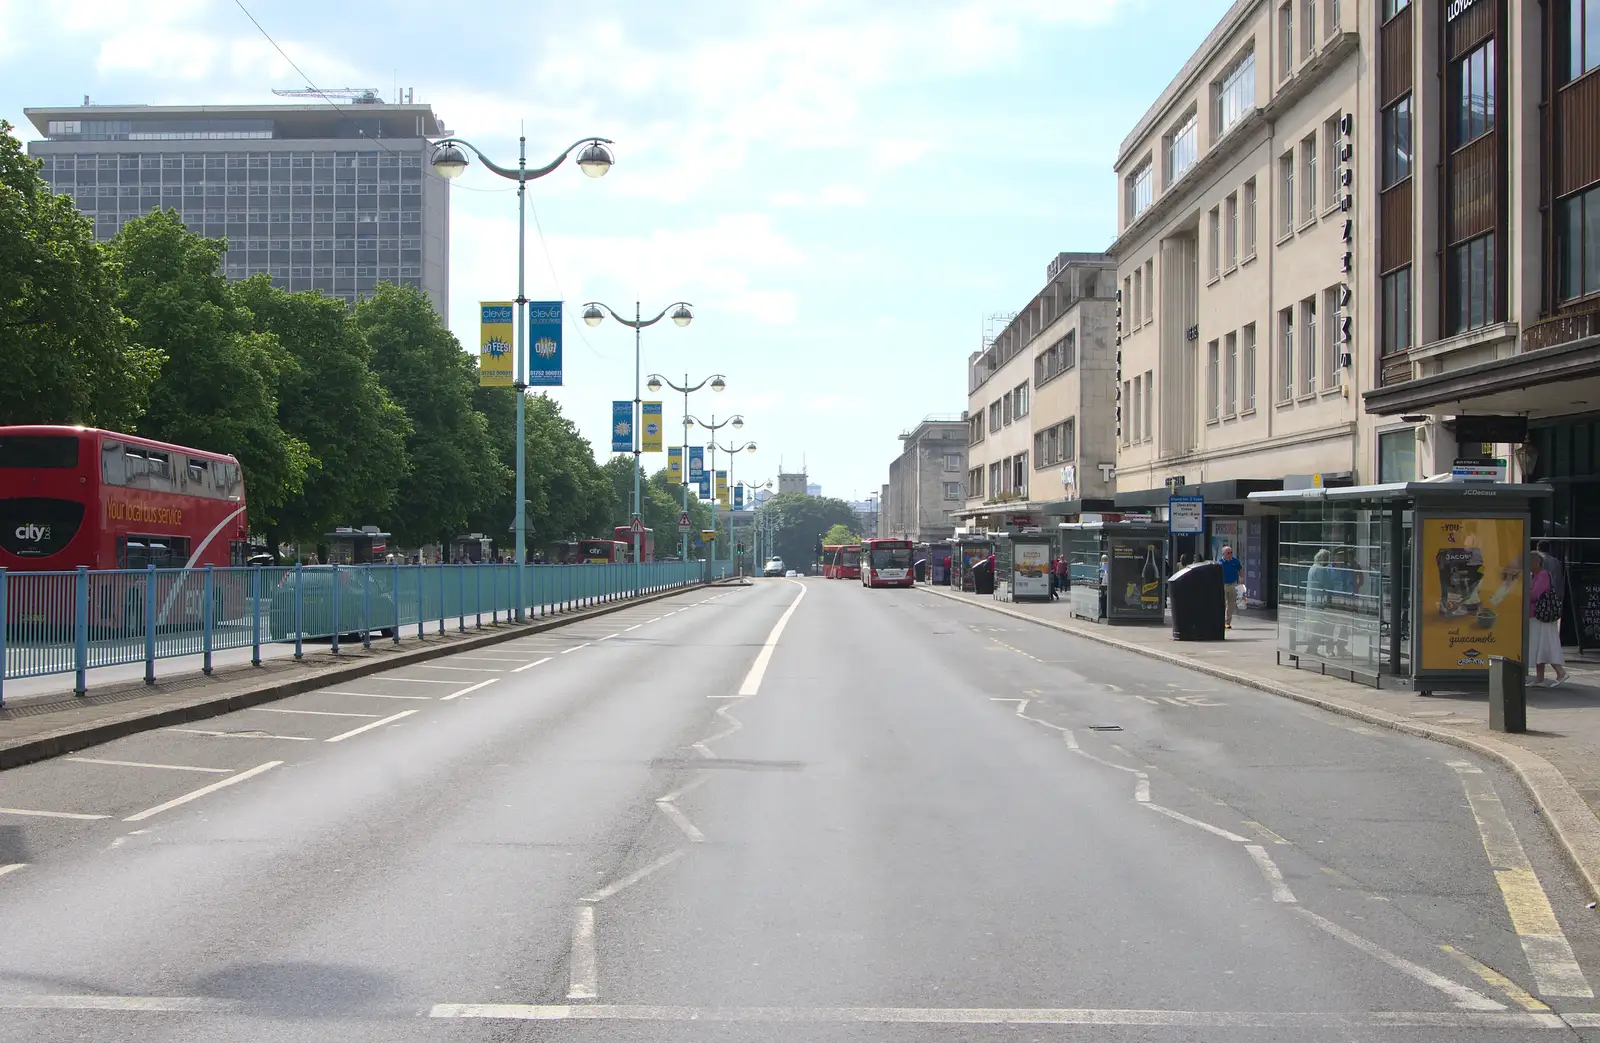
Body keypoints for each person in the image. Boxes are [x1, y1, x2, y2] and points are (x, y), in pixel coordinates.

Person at [1528, 551, 1568, 687]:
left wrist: (1525, 590)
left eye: (1529, 562)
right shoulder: (1534, 576)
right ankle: (1540, 678)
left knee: (1546, 645)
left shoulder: (1543, 575)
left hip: (1541, 616)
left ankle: (1560, 672)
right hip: (1535, 616)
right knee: (1538, 646)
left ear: (1536, 562)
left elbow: (1535, 595)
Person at [1219, 545, 1243, 629]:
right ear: (1223, 554)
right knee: (1222, 604)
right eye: (1228, 553)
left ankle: (1227, 622)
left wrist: (1241, 578)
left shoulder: (1235, 561)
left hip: (1233, 584)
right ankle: (1220, 621)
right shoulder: (1220, 562)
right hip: (1223, 584)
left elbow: (1240, 569)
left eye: (1231, 552)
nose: (1230, 554)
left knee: (1231, 604)